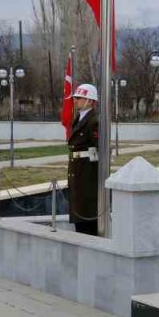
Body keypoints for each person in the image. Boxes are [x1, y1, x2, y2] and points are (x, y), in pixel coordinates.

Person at [67, 83, 100, 235]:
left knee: (86, 212)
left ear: (90, 100)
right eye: (76, 98)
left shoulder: (94, 121)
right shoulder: (80, 118)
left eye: (79, 98)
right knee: (78, 209)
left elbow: (100, 147)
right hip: (78, 170)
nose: (75, 101)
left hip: (87, 173)